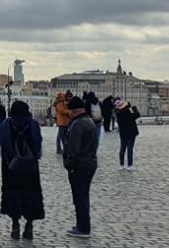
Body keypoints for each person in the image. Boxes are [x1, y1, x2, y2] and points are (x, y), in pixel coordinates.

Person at [0, 101, 44, 240]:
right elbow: (37, 142)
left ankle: (15, 226)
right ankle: (29, 226)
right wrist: (34, 156)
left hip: (11, 166)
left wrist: (10, 158)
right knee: (31, 194)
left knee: (13, 194)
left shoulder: (6, 124)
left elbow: (0, 141)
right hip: (30, 166)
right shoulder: (33, 124)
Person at [63, 96, 98, 238]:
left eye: (69, 110)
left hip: (80, 165)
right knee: (82, 196)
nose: (68, 113)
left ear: (74, 110)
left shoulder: (78, 124)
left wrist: (68, 164)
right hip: (89, 162)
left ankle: (83, 228)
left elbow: (74, 148)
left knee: (80, 197)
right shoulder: (89, 121)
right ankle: (82, 224)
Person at [115, 100, 141, 171]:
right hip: (131, 132)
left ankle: (121, 165)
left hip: (123, 133)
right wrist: (133, 108)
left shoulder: (118, 113)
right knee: (130, 148)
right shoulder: (128, 112)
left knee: (122, 148)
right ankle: (130, 165)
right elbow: (137, 115)